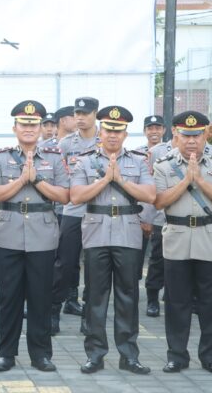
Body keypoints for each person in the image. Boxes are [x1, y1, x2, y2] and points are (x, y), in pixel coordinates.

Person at [71, 105, 155, 375]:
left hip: (128, 234)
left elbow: (150, 195)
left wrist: (121, 180)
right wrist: (106, 179)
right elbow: (76, 196)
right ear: (100, 131)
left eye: (118, 131)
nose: (112, 135)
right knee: (96, 296)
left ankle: (129, 355)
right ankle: (95, 354)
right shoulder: (85, 160)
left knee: (128, 296)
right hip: (96, 233)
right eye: (108, 129)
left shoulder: (139, 160)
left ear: (125, 134)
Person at [0, 100, 69, 373]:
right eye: (24, 124)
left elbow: (64, 196)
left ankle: (41, 354)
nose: (29, 129)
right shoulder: (0, 157)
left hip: (43, 233)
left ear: (42, 127)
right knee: (8, 297)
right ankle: (6, 353)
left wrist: (37, 180)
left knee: (40, 297)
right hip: (9, 231)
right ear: (15, 128)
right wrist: (21, 180)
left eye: (34, 124)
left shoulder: (55, 157)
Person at [153, 111, 212, 373]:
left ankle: (208, 356)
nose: (191, 141)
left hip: (208, 238)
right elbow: (160, 201)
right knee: (177, 302)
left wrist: (198, 178)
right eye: (186, 135)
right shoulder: (164, 165)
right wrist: (186, 180)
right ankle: (177, 355)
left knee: (209, 302)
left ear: (206, 134)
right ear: (175, 134)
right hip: (176, 239)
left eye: (196, 135)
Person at [51, 97, 99, 335]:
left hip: (99, 212)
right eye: (77, 112)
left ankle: (89, 317)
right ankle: (54, 311)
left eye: (85, 113)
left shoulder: (106, 140)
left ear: (95, 114)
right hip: (72, 210)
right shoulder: (66, 143)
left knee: (94, 266)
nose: (80, 117)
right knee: (64, 263)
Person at [133, 115, 166, 317]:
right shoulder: (136, 153)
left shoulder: (171, 152)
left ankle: (154, 298)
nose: (154, 131)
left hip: (162, 215)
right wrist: (144, 217)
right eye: (150, 128)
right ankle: (132, 296)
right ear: (145, 131)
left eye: (157, 128)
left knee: (158, 259)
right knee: (135, 260)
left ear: (164, 130)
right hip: (141, 215)